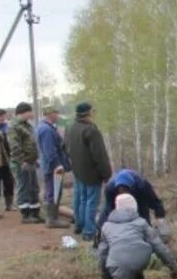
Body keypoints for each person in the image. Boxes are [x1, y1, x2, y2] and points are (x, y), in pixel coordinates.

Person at [64, 101, 112, 240]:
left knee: (80, 199)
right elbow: (100, 155)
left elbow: (64, 147)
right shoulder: (91, 130)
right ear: (89, 113)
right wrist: (106, 174)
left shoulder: (70, 127)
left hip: (77, 171)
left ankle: (79, 226)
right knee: (91, 202)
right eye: (93, 111)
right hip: (91, 173)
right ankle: (89, 232)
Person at [100, 169, 168, 236]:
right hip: (117, 199)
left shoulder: (143, 186)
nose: (125, 197)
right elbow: (108, 211)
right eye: (122, 193)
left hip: (139, 198)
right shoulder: (110, 189)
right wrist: (101, 231)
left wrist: (162, 224)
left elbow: (155, 203)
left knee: (143, 222)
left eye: (126, 192)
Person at [8, 102, 43, 223]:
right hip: (22, 163)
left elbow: (31, 144)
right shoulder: (15, 126)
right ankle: (26, 214)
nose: (32, 113)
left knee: (33, 187)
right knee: (24, 187)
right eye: (30, 111)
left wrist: (35, 159)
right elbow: (15, 146)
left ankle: (35, 212)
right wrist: (21, 161)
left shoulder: (26, 126)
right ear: (24, 112)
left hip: (31, 161)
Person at [36, 107, 70, 228]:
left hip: (51, 166)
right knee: (53, 192)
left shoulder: (45, 127)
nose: (58, 116)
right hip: (53, 167)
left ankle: (53, 217)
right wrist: (58, 165)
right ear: (50, 114)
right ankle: (52, 219)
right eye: (56, 113)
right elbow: (49, 151)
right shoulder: (46, 129)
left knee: (54, 191)